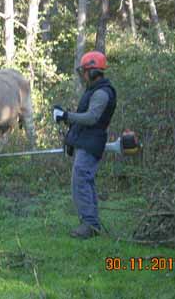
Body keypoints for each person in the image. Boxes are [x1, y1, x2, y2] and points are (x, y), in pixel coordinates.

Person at [53, 51, 117, 239]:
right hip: (86, 142)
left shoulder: (102, 93)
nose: (83, 75)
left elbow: (91, 118)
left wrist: (66, 115)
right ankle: (91, 223)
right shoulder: (94, 89)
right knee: (83, 181)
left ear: (93, 71)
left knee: (81, 180)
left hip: (92, 143)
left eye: (85, 71)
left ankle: (89, 224)